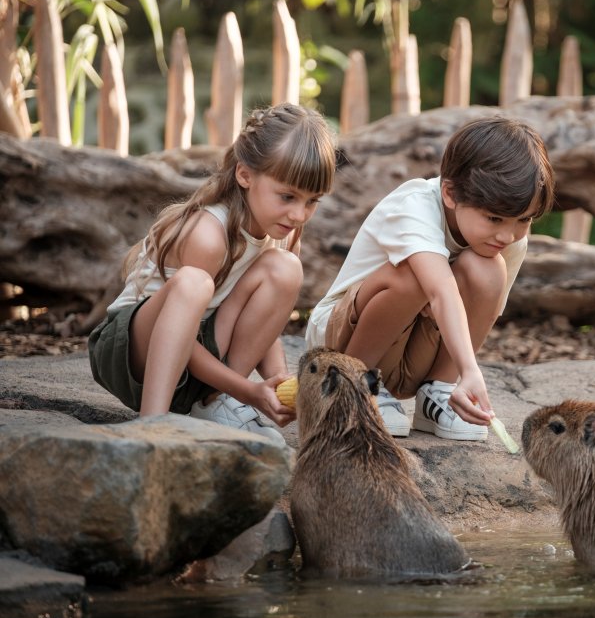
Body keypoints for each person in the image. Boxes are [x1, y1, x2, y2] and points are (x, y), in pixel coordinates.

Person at [88, 103, 337, 445]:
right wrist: (247, 390)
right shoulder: (208, 234)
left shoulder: (283, 230)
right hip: (135, 356)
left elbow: (265, 324)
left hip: (196, 360)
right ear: (245, 174)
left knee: (286, 269)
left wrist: (276, 382)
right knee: (194, 283)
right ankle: (151, 429)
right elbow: (180, 336)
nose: (299, 214)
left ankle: (217, 404)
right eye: (288, 196)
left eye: (312, 201)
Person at [305, 116, 555, 440]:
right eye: (493, 218)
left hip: (409, 351)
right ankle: (353, 390)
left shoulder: (507, 237)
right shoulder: (415, 206)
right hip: (341, 344)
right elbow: (440, 292)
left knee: (489, 270)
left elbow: (486, 307)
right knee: (413, 277)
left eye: (524, 219)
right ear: (450, 193)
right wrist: (472, 370)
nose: (508, 234)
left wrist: (459, 376)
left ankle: (438, 394)